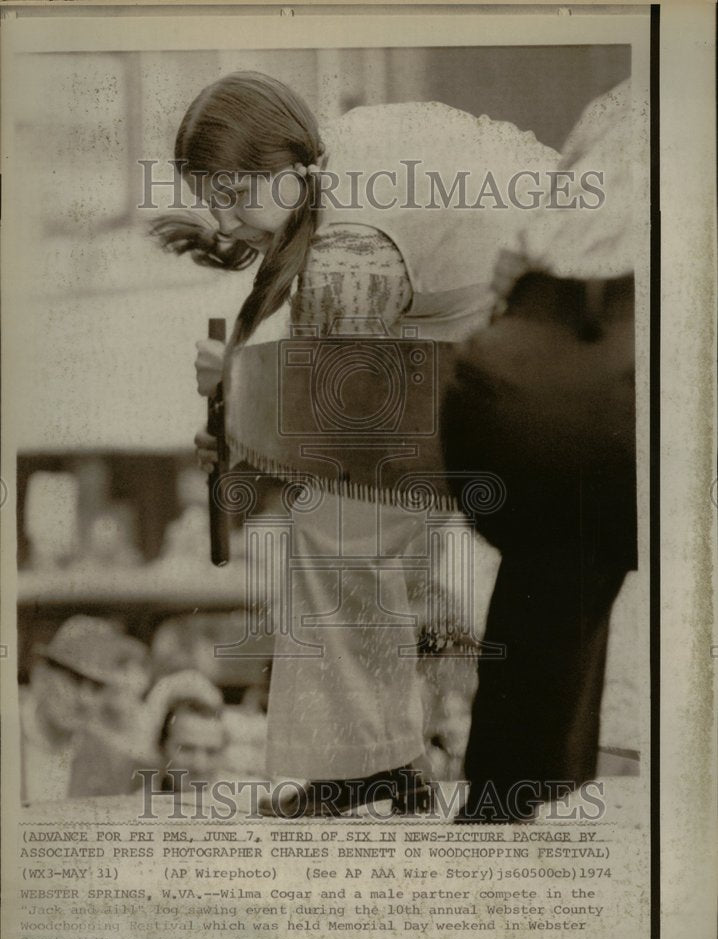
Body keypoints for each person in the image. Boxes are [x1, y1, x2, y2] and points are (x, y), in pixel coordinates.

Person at [152, 70, 561, 815]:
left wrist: (240, 395)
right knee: (345, 516)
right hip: (496, 303)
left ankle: (385, 762)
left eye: (235, 196)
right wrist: (245, 413)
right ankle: (378, 761)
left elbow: (335, 420)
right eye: (212, 201)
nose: (224, 222)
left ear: (287, 168)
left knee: (346, 507)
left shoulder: (349, 250)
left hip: (554, 313)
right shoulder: (330, 173)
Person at [441, 79, 643, 821]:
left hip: (515, 385)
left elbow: (509, 274)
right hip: (624, 359)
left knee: (557, 562)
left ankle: (502, 802)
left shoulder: (620, 103)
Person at [20, 616, 151, 802]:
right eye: (74, 680)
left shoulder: (111, 763)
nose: (85, 700)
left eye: (97, 687)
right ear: (40, 677)